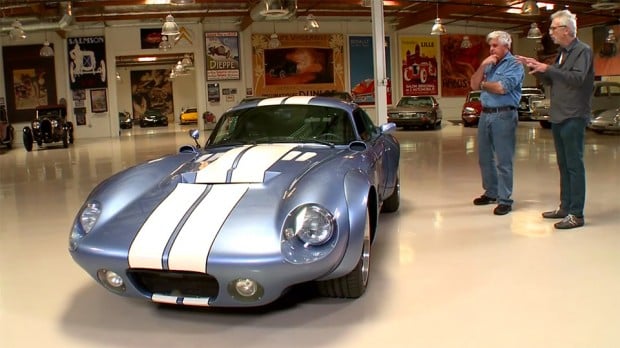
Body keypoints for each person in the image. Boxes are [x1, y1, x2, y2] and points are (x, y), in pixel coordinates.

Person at [516, 10, 594, 229]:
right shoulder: (563, 53)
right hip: (559, 115)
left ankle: (576, 214)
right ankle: (565, 207)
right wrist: (537, 69)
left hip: (574, 114)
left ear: (566, 30)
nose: (550, 33)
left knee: (574, 165)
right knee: (563, 164)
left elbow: (577, 79)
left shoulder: (582, 51)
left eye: (553, 28)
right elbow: (554, 81)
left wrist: (548, 68)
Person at [470, 31, 524, 216]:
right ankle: (491, 192)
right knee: (484, 158)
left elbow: (502, 88)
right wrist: (482, 66)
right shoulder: (489, 64)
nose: (491, 49)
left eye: (495, 45)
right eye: (490, 45)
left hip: (504, 115)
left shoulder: (515, 64)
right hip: (485, 115)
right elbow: (473, 84)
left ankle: (505, 199)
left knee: (503, 160)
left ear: (506, 46)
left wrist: (484, 84)